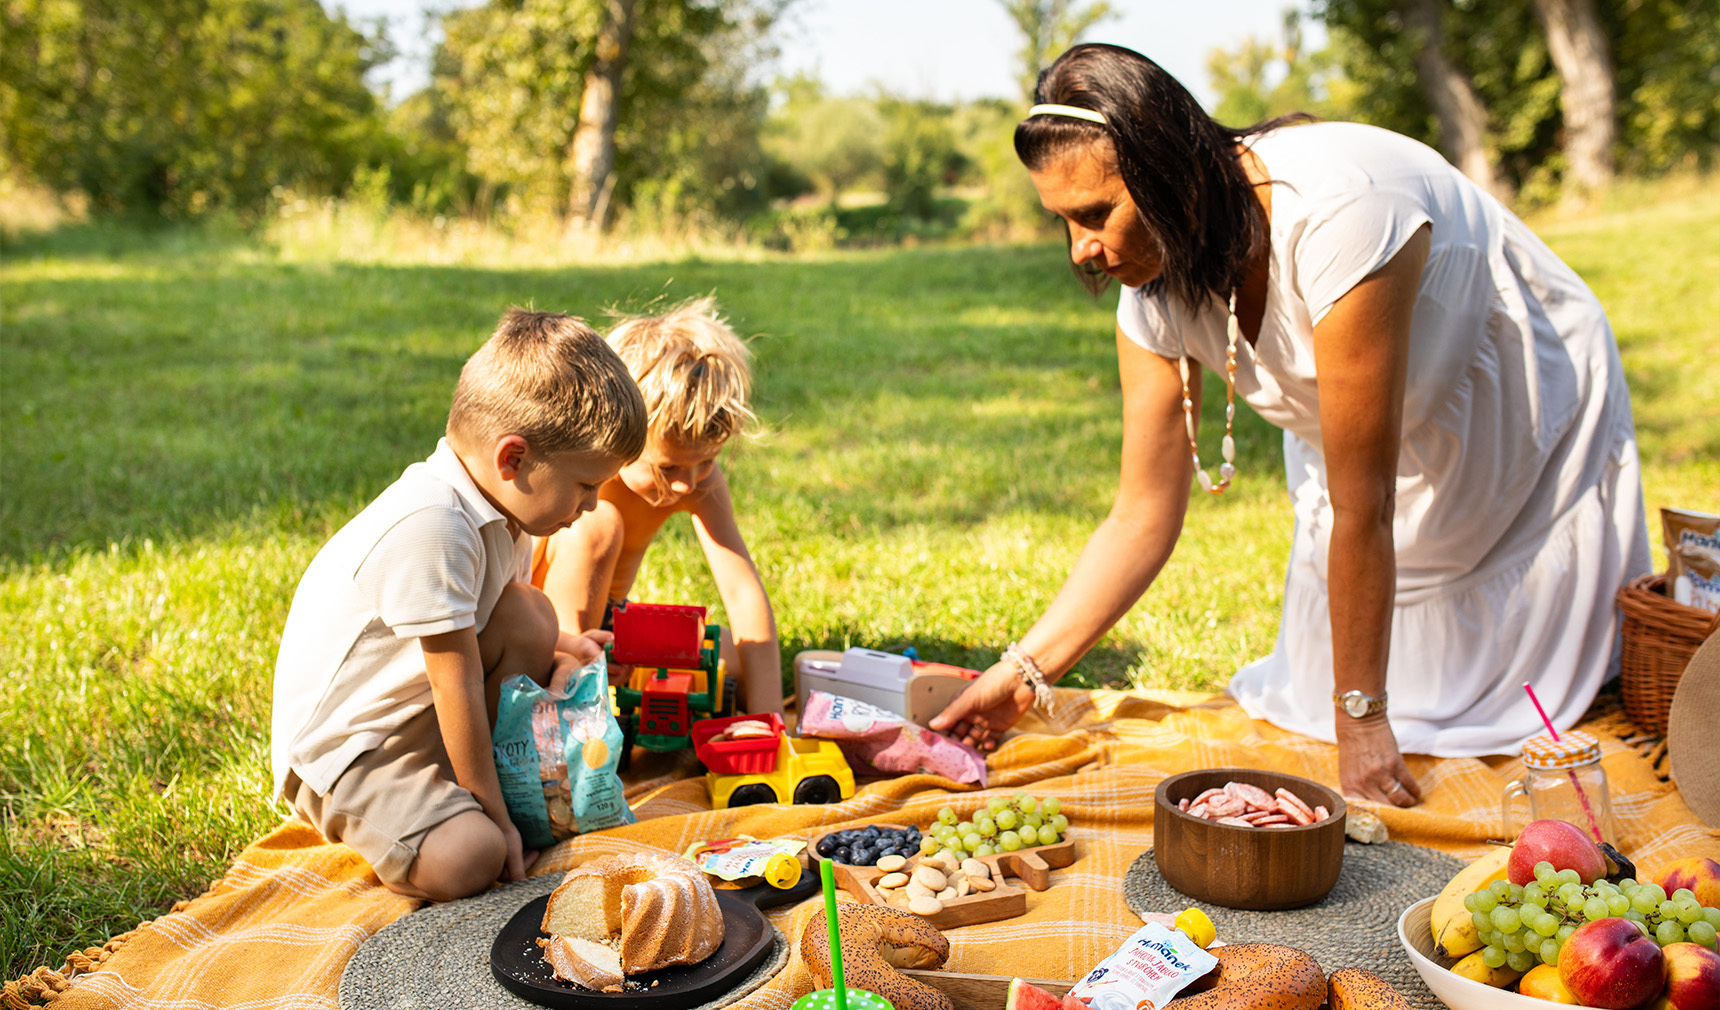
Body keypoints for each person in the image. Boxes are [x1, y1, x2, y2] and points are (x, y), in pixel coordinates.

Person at [929, 43, 1650, 807]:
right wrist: (1026, 673)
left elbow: (1363, 505)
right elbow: (1140, 515)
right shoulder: (1150, 289)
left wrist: (1364, 719)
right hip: (1361, 456)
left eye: (1094, 214)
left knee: (1478, 717)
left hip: (1503, 393)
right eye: (1063, 222)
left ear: (1166, 171)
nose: (1082, 250)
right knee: (1313, 705)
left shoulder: (1344, 215)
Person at [270, 308, 647, 900]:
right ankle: (459, 813)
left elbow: (497, 621)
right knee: (473, 856)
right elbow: (456, 683)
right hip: (352, 750)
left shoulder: (510, 512)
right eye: (584, 485)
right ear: (513, 459)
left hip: (418, 710)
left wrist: (569, 646)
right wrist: (497, 822)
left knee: (532, 613)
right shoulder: (435, 525)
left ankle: (470, 796)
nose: (594, 504)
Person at [531, 296, 784, 718]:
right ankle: (566, 709)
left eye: (707, 461)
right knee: (600, 523)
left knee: (730, 663)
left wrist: (769, 719)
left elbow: (742, 591)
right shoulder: (587, 479)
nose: (687, 482)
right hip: (545, 630)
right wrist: (570, 650)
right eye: (667, 466)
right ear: (620, 433)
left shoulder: (696, 481)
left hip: (609, 631)